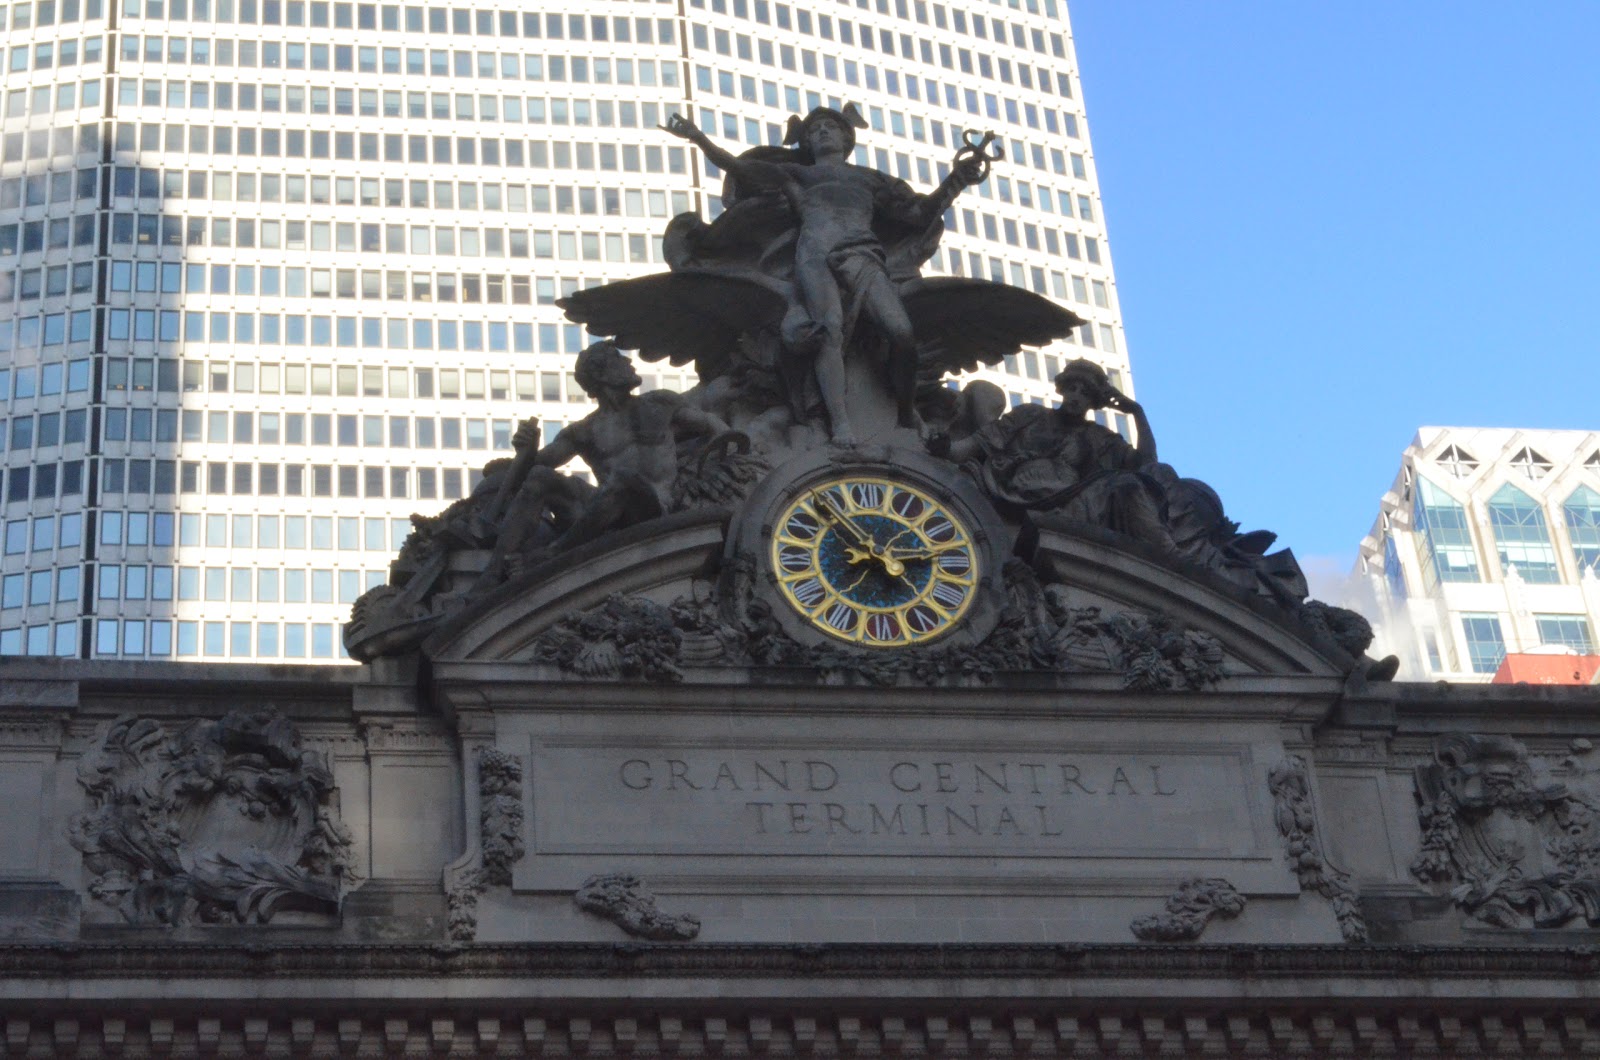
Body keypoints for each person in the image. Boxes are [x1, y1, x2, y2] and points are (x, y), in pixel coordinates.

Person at [662, 106, 986, 443]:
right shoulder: (795, 175)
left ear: (847, 138)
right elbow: (738, 167)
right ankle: (840, 424)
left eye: (830, 127)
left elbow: (919, 214)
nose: (822, 132)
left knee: (902, 332)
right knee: (827, 332)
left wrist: (956, 181)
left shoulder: (869, 179)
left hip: (862, 255)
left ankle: (905, 411)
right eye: (815, 129)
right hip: (814, 257)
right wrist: (698, 137)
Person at [474, 342, 736, 583]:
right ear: (601, 375)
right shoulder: (585, 430)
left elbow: (711, 425)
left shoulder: (659, 403)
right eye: (618, 359)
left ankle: (552, 554)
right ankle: (491, 576)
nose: (630, 363)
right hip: (607, 511)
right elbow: (538, 464)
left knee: (623, 480)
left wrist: (725, 446)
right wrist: (528, 449)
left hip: (653, 507)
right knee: (541, 477)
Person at [929, 358, 1175, 549]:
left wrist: (1138, 414)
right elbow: (980, 443)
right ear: (1062, 389)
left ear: (1094, 402)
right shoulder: (1030, 414)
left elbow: (1146, 464)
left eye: (1085, 393)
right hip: (1008, 486)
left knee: (1130, 485)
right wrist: (947, 449)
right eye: (1072, 388)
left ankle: (1167, 553)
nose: (1076, 397)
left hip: (1066, 501)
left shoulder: (1100, 438)